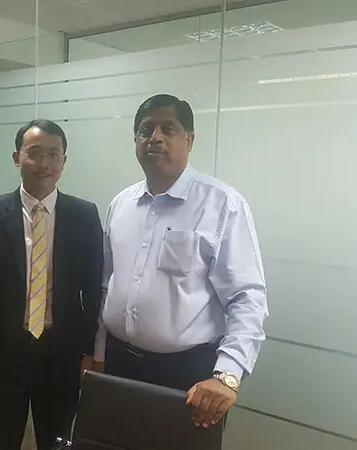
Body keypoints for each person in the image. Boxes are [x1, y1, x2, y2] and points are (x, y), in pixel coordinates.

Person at [95, 95, 268, 429]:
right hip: (119, 364)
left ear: (189, 140)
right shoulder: (121, 205)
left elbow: (247, 297)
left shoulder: (222, 204)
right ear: (135, 141)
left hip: (187, 375)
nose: (155, 137)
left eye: (168, 129)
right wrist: (99, 353)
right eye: (146, 130)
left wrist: (227, 374)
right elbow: (107, 285)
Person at [0, 119, 103, 450]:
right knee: (1, 440)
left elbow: (93, 291)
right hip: (2, 356)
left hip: (61, 356)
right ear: (17, 157)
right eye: (35, 153)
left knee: (57, 441)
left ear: (64, 161)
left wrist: (89, 353)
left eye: (54, 154)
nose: (44, 163)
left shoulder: (84, 215)